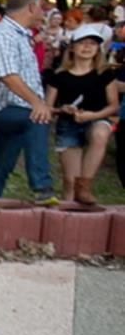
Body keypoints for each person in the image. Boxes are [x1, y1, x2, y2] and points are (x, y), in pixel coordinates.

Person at [0, 0, 58, 203]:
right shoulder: (3, 36)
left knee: (0, 166)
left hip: (17, 107)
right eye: (41, 8)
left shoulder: (19, 35)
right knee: (37, 119)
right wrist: (37, 104)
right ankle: (42, 185)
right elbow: (7, 76)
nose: (43, 13)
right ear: (31, 7)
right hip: (0, 107)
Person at [44, 23, 117, 205]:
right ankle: (67, 214)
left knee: (100, 134)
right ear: (72, 47)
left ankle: (86, 184)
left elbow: (113, 106)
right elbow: (48, 107)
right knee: (70, 181)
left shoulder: (104, 73)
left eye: (92, 44)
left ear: (98, 49)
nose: (87, 47)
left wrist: (92, 115)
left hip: (96, 119)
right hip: (68, 124)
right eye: (82, 43)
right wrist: (62, 109)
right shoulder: (59, 75)